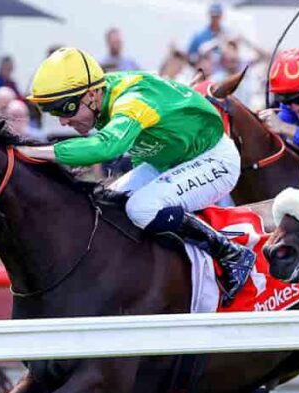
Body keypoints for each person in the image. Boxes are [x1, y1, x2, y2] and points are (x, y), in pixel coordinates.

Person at [17, 48, 255, 304]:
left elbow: (106, 147)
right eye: (55, 113)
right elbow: (142, 147)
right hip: (169, 160)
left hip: (214, 159)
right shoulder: (103, 96)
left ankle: (230, 253)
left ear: (92, 94)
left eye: (66, 109)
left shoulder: (131, 100)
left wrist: (36, 152)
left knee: (141, 208)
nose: (63, 121)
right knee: (108, 203)